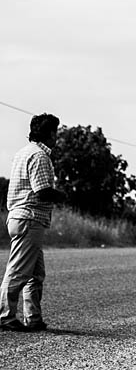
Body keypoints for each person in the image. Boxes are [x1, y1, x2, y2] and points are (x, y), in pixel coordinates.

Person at [1, 113, 66, 332]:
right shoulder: (39, 156)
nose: (57, 137)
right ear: (49, 133)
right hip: (30, 219)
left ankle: (33, 318)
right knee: (18, 271)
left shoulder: (23, 152)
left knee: (35, 274)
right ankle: (5, 316)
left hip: (21, 217)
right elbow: (42, 192)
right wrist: (62, 196)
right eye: (55, 132)